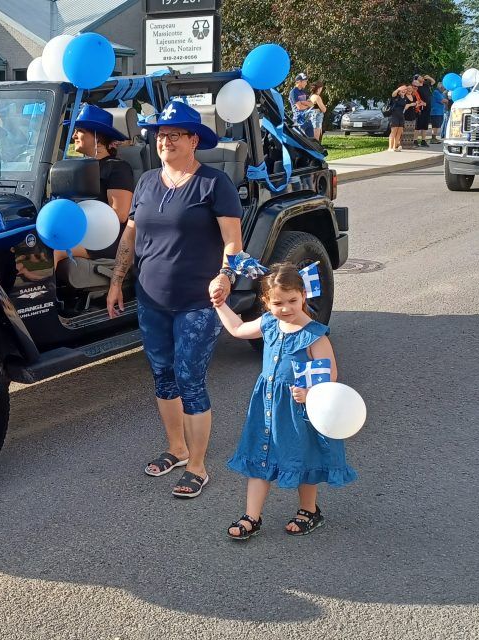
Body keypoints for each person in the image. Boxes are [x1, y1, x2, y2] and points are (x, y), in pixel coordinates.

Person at [106, 98, 244, 499]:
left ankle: (198, 467)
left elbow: (232, 240)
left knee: (190, 380)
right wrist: (117, 281)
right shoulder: (147, 181)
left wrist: (225, 275)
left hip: (197, 304)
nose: (164, 141)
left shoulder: (213, 184)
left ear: (194, 140)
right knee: (163, 376)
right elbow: (130, 235)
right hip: (151, 300)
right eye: (160, 135)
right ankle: (177, 449)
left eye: (174, 135)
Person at [212, 263, 356, 539]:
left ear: (303, 295)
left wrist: (311, 394)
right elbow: (238, 329)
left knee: (303, 456)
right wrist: (220, 304)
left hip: (299, 408)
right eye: (278, 302)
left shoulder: (314, 334)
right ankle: (251, 516)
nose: (286, 308)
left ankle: (308, 510)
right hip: (268, 404)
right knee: (260, 454)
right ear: (266, 302)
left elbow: (330, 375)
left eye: (292, 300)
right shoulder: (268, 323)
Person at [54, 104, 134, 265]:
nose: (74, 135)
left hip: (105, 240)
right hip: (81, 233)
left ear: (97, 136)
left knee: (54, 251)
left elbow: (120, 214)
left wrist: (78, 218)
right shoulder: (78, 167)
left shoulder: (118, 168)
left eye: (80, 131)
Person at [386, 86, 413, 152]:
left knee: (399, 132)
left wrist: (410, 105)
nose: (403, 91)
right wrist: (398, 89)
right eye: (402, 90)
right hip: (394, 115)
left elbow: (407, 105)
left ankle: (394, 147)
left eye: (405, 90)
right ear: (399, 91)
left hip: (401, 116)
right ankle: (390, 147)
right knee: (393, 132)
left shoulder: (405, 98)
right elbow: (393, 94)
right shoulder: (396, 96)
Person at [414, 76, 435, 147]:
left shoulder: (426, 85)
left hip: (427, 107)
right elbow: (415, 96)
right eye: (420, 77)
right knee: (418, 125)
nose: (422, 77)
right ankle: (415, 140)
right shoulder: (416, 87)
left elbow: (433, 82)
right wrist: (421, 102)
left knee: (425, 125)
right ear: (416, 79)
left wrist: (429, 77)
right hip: (420, 108)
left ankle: (423, 140)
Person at [429, 78, 447, 144]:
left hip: (439, 112)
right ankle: (433, 138)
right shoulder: (436, 92)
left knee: (437, 126)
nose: (444, 89)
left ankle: (434, 138)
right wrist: (448, 101)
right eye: (443, 88)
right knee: (435, 126)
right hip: (435, 112)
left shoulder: (440, 93)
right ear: (440, 87)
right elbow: (443, 101)